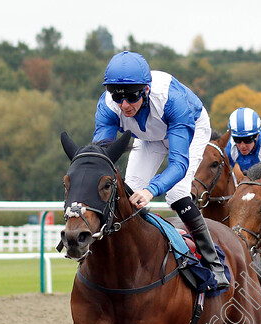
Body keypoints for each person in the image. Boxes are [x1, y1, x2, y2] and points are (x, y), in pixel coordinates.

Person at [93, 51, 228, 289]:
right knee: (127, 195)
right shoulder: (107, 106)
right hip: (149, 137)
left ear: (145, 90)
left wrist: (151, 190)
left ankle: (214, 264)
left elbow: (178, 164)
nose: (124, 105)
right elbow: (102, 155)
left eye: (131, 97)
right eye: (117, 97)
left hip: (190, 129)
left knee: (176, 194)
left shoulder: (172, 99)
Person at [225, 107, 261, 173]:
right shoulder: (229, 146)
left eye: (247, 140)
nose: (242, 146)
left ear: (257, 136)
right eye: (237, 139)